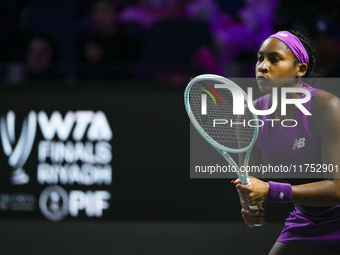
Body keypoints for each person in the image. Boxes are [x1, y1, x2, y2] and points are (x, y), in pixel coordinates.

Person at [233, 30, 340, 254]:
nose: (262, 67)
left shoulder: (327, 107)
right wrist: (250, 206)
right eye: (260, 58)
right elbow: (251, 179)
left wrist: (272, 191)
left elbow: (337, 187)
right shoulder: (248, 115)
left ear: (300, 69)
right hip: (308, 218)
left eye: (275, 59)